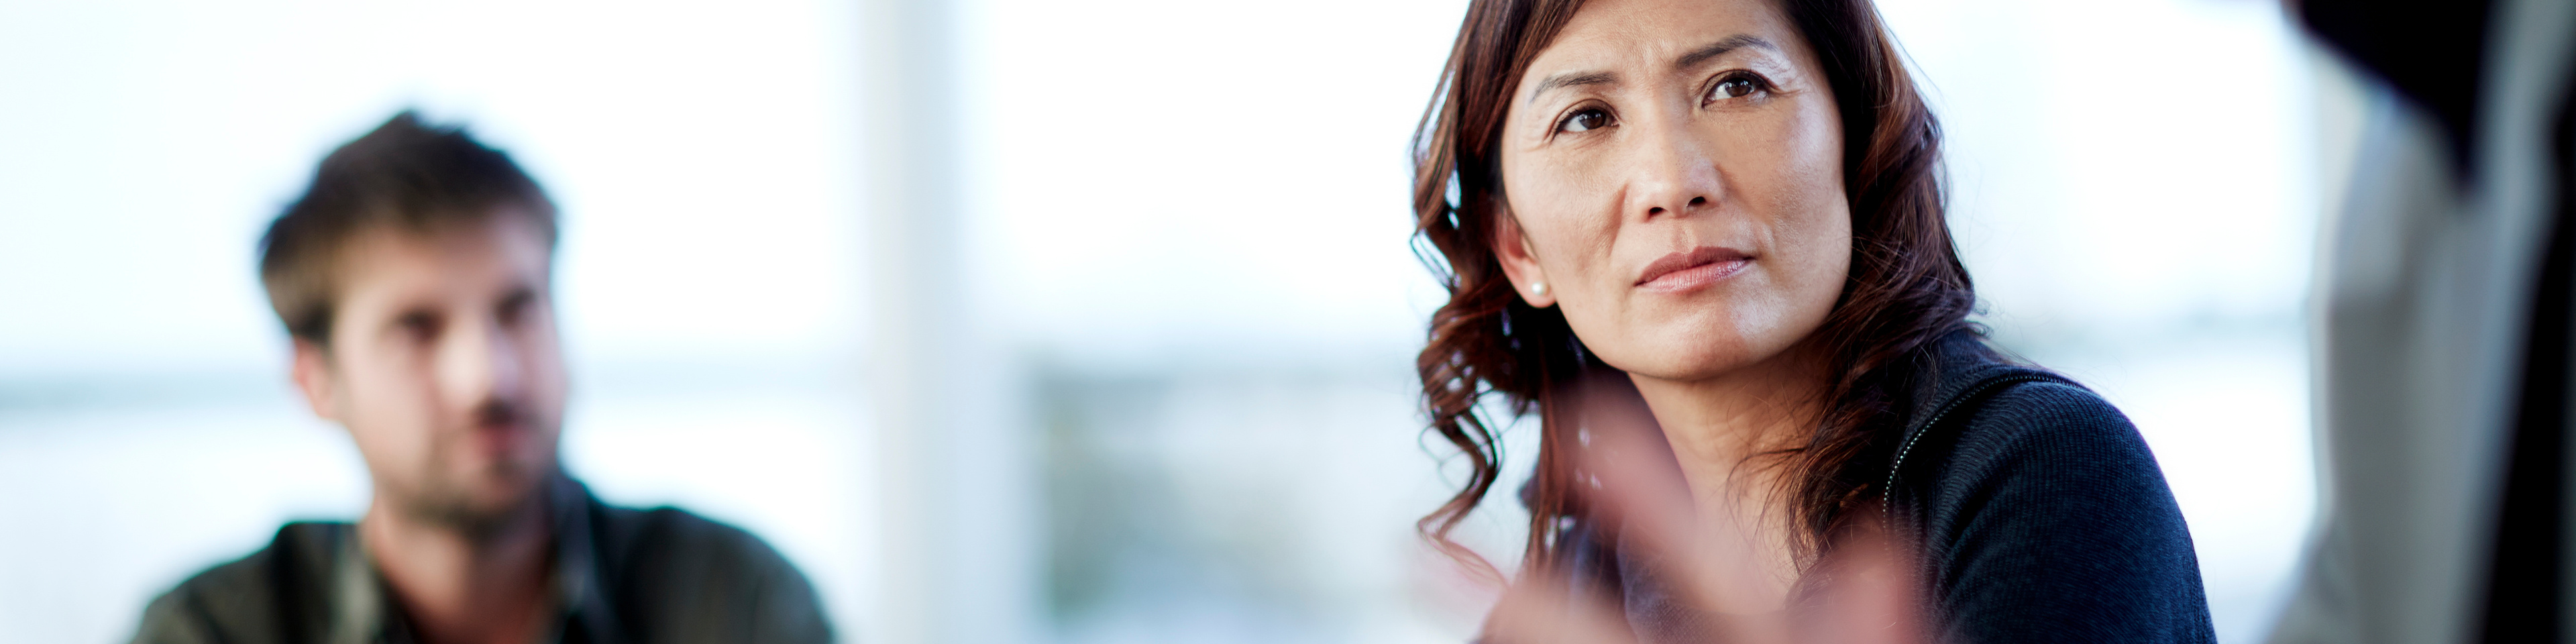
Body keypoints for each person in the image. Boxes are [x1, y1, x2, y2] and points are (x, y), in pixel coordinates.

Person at [1406, 0, 2215, 641]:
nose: (1672, 180)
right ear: (1517, 249)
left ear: (1855, 145)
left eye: (1736, 85)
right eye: (1585, 118)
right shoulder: (1575, 589)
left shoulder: (2042, 473)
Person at [128, 112, 834, 644]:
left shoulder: (733, 603)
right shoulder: (212, 631)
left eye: (518, 310)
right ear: (316, 382)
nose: (487, 377)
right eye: (417, 329)